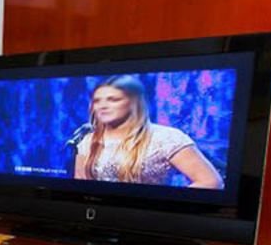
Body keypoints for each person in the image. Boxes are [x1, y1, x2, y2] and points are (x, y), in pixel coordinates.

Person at [73, 75, 223, 188]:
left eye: (113, 99)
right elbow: (81, 187)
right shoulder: (88, 140)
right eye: (97, 101)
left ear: (134, 103)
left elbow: (210, 182)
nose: (103, 106)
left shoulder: (166, 138)